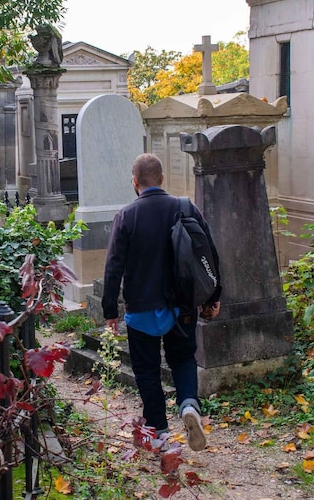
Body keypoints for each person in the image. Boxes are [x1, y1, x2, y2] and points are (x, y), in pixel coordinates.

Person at [102, 153, 221, 452]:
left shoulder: (126, 216)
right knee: (182, 359)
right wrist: (214, 296)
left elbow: (113, 266)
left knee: (147, 371)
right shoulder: (184, 207)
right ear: (162, 179)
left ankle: (159, 432)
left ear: (135, 182)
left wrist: (109, 311)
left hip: (141, 309)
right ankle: (189, 405)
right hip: (181, 306)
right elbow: (209, 253)